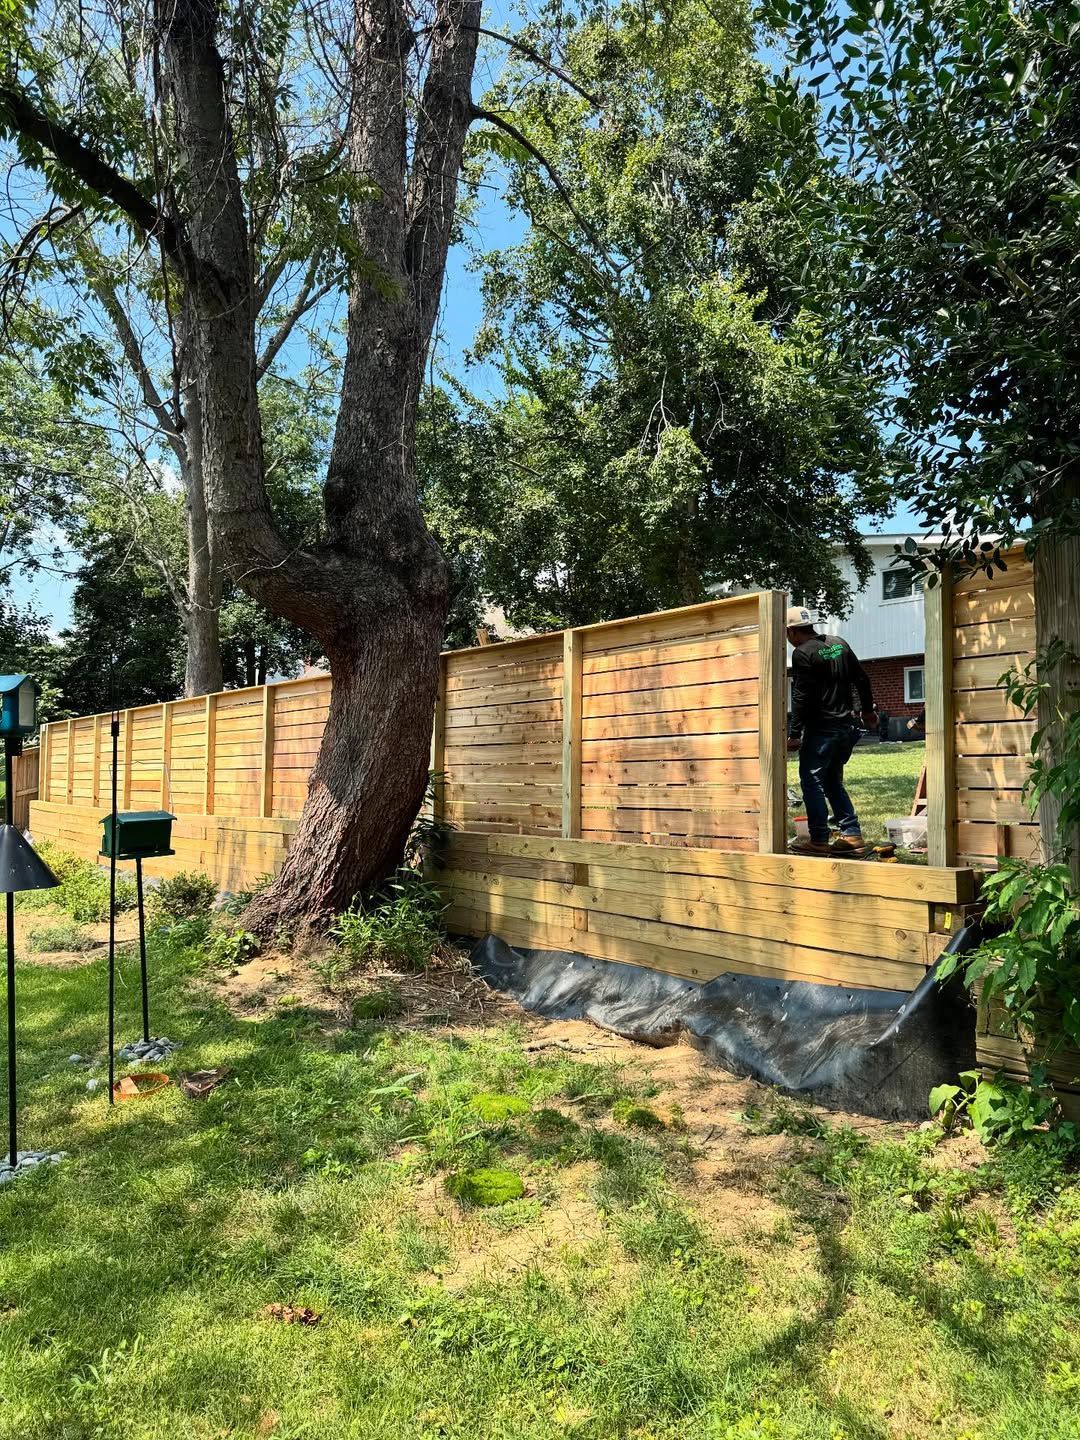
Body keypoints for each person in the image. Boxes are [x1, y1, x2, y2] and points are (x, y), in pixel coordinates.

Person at [785, 606, 878, 857]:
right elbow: (862, 678)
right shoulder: (838, 643)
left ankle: (818, 839)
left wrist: (795, 734)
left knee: (812, 781)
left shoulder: (803, 653)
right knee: (832, 781)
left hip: (822, 729)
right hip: (846, 727)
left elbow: (801, 696)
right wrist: (867, 711)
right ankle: (851, 836)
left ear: (791, 632)